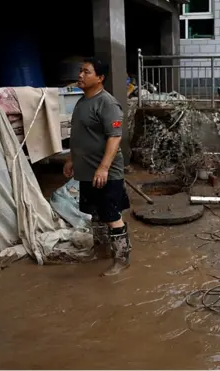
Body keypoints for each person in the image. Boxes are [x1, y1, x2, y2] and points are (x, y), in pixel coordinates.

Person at [63, 57, 131, 276]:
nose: (80, 75)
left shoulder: (107, 103)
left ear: (100, 78)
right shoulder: (82, 102)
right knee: (96, 214)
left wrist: (103, 167)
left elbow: (114, 137)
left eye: (86, 72)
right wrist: (72, 159)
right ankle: (100, 252)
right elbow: (80, 136)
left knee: (112, 215)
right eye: (80, 71)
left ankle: (121, 259)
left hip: (106, 172)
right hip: (87, 171)